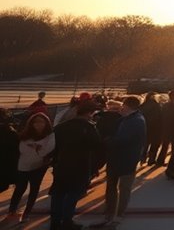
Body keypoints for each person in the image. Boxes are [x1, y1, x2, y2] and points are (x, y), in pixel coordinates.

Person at [93, 96, 147, 228]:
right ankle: (112, 212)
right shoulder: (132, 118)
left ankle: (117, 214)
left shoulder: (134, 121)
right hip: (121, 159)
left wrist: (106, 141)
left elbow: (122, 140)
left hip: (125, 159)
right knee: (115, 187)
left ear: (127, 105)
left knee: (123, 188)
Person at [50, 99, 103, 230]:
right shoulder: (89, 127)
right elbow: (97, 146)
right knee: (73, 194)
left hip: (61, 165)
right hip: (80, 165)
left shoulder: (61, 127)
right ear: (90, 113)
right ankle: (67, 221)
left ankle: (55, 222)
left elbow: (53, 146)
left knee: (58, 194)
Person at [6, 113, 55, 225]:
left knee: (34, 189)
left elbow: (46, 151)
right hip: (23, 166)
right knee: (20, 189)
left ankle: (26, 213)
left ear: (46, 123)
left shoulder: (50, 136)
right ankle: (12, 211)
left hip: (39, 167)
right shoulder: (25, 135)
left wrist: (35, 148)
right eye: (35, 121)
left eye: (41, 121)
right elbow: (23, 150)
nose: (38, 124)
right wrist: (38, 148)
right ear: (31, 123)